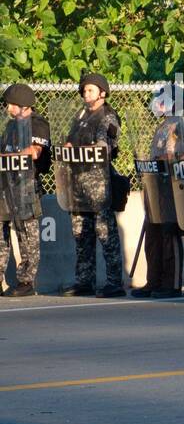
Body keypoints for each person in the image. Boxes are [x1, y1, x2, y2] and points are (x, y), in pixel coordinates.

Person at [60, 73, 125, 297]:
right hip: (77, 182)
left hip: (99, 182)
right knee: (81, 233)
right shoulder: (81, 115)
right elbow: (70, 139)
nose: (86, 94)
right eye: (84, 90)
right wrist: (68, 145)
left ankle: (114, 282)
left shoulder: (107, 116)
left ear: (102, 92)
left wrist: (78, 149)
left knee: (105, 232)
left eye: (91, 90)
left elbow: (103, 147)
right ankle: (84, 281)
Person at [131, 85, 184, 300]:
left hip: (171, 186)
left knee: (168, 232)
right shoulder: (163, 125)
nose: (158, 103)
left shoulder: (178, 125)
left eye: (164, 99)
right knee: (153, 233)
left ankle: (171, 283)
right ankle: (154, 280)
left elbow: (175, 157)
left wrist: (161, 161)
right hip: (156, 187)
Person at [0, 83, 50, 296]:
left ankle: (26, 281)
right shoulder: (10, 126)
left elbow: (34, 151)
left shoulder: (38, 124)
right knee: (1, 233)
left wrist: (6, 158)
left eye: (11, 104)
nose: (7, 108)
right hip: (5, 184)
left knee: (27, 233)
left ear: (22, 104)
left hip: (26, 185)